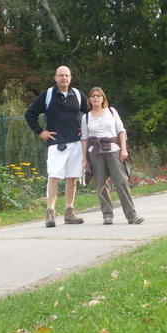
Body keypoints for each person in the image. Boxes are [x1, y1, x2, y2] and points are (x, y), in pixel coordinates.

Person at [25, 65, 88, 227]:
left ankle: (69, 212)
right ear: (55, 77)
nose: (64, 78)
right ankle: (50, 213)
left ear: (70, 78)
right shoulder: (48, 95)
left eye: (66, 75)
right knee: (53, 177)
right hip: (56, 144)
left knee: (72, 178)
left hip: (75, 143)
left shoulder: (78, 95)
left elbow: (90, 113)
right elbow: (30, 114)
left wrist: (85, 127)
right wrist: (40, 132)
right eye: (61, 75)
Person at [81, 86, 144, 225]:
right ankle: (107, 215)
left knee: (121, 183)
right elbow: (84, 139)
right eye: (93, 96)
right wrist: (85, 159)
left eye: (98, 95)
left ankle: (132, 215)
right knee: (101, 186)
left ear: (103, 98)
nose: (96, 98)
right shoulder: (85, 117)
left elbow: (121, 131)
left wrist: (124, 150)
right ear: (89, 100)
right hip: (95, 154)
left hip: (114, 151)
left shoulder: (111, 111)